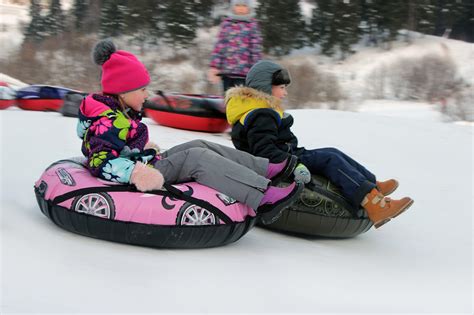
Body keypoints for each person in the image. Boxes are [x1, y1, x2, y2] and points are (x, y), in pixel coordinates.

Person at [76, 40, 303, 225]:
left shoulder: (116, 112)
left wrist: (140, 151)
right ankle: (264, 197)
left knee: (199, 145)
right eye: (143, 90)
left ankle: (267, 168)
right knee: (197, 159)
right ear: (122, 91)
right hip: (143, 170)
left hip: (147, 160)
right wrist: (137, 173)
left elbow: (122, 144)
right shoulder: (108, 120)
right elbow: (100, 160)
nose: (147, 95)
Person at [225, 60, 414, 228]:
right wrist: (294, 165)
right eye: (281, 87)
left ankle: (374, 186)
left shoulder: (259, 110)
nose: (285, 92)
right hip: (282, 164)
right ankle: (375, 205)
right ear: (266, 87)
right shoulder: (261, 115)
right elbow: (263, 152)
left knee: (332, 152)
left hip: (288, 156)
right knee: (330, 158)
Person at [208, 0, 262, 92]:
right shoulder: (226, 24)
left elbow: (255, 50)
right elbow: (219, 46)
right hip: (227, 73)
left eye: (244, 6)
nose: (240, 8)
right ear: (233, 7)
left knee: (241, 101)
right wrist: (214, 66)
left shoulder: (252, 25)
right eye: (237, 5)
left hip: (244, 74)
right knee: (228, 100)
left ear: (248, 8)